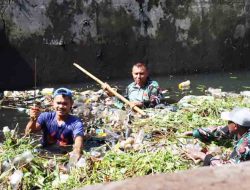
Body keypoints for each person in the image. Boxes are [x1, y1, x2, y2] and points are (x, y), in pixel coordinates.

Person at [25, 87, 84, 160]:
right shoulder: (46, 116)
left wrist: (77, 151)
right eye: (58, 103)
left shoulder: (76, 122)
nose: (61, 106)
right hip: (45, 151)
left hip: (64, 154)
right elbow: (28, 133)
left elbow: (78, 139)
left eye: (65, 104)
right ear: (53, 103)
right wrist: (33, 119)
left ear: (71, 104)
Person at [184, 107, 250, 166]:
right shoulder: (242, 129)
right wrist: (196, 133)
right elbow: (221, 132)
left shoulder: (244, 147)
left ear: (235, 126)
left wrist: (201, 156)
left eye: (229, 122)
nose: (227, 123)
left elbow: (228, 169)